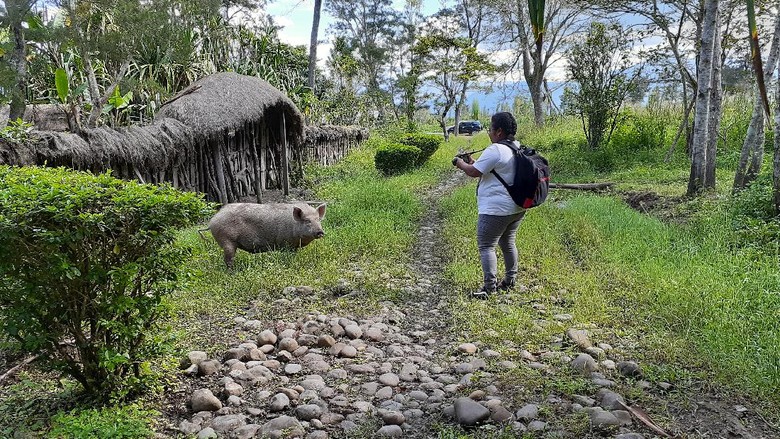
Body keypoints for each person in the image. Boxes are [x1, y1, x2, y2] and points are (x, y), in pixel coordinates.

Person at [451, 112, 525, 299]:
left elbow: (474, 172)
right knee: (508, 242)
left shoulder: (495, 150)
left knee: (486, 246)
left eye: (490, 129)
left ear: (499, 131)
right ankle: (510, 280)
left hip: (496, 210)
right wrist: (472, 162)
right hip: (516, 207)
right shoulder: (516, 147)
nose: (489, 132)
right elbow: (493, 170)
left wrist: (460, 163)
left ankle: (489, 288)